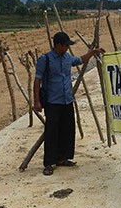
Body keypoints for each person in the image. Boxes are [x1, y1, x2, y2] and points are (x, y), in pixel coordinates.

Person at [33, 32, 104, 176]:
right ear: (59, 45)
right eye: (66, 46)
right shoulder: (45, 59)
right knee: (52, 133)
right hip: (53, 102)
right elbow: (37, 80)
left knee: (68, 130)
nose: (67, 48)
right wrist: (36, 101)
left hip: (67, 101)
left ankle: (62, 158)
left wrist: (92, 52)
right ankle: (49, 163)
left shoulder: (67, 58)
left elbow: (80, 60)